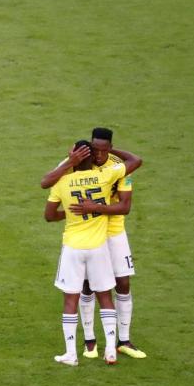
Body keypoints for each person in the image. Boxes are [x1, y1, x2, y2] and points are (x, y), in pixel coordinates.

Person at [41, 128, 145, 359]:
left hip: (112, 233)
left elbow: (125, 207)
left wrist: (94, 208)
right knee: (89, 287)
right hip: (92, 237)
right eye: (95, 149)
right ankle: (90, 342)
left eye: (104, 150)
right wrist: (70, 161)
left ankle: (123, 341)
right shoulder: (76, 161)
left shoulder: (115, 166)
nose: (98, 155)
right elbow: (46, 181)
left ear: (110, 148)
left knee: (122, 283)